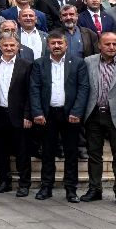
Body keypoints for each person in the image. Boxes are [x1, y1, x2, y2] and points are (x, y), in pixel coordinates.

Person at [30, 30, 90, 202]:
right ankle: (46, 187)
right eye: (53, 43)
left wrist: (77, 112)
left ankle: (71, 189)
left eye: (60, 43)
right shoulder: (39, 64)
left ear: (66, 44)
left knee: (71, 153)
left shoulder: (78, 63)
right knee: (47, 152)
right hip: (47, 114)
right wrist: (37, 112)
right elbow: (34, 89)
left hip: (70, 115)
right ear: (48, 46)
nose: (56, 46)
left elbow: (83, 88)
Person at [80, 32, 116, 206]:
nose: (112, 47)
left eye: (115, 44)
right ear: (100, 45)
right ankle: (94, 189)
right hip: (94, 114)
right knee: (94, 155)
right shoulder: (88, 62)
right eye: (107, 44)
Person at [0, 34, 34, 196]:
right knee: (1, 151)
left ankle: (24, 184)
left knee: (22, 151)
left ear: (18, 47)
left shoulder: (27, 65)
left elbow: (31, 92)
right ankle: (4, 182)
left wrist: (28, 115)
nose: (8, 48)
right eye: (5, 45)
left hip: (20, 115)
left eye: (12, 46)